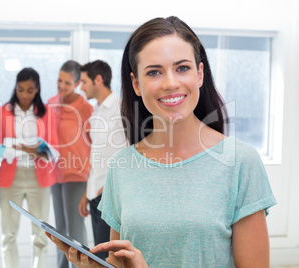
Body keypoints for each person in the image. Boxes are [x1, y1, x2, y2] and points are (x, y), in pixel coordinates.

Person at [47, 16, 277, 268]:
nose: (170, 83)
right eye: (154, 72)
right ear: (136, 84)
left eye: (182, 68)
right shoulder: (121, 166)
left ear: (199, 74)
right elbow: (121, 262)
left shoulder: (240, 162)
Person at [0, 67, 59, 268]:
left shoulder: (46, 112)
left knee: (40, 233)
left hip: (38, 177)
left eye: (29, 90)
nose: (24, 95)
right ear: (16, 87)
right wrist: (14, 148)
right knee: (9, 233)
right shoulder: (3, 112)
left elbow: (54, 149)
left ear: (37, 89)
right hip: (10, 175)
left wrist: (34, 151)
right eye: (20, 89)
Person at [77, 60, 127, 260]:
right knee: (98, 253)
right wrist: (85, 194)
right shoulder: (96, 111)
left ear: (98, 80)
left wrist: (109, 188)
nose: (81, 87)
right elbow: (96, 156)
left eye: (83, 81)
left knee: (108, 257)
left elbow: (130, 153)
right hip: (95, 193)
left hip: (111, 195)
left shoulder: (121, 107)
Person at [47, 60, 94, 268]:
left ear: (76, 83)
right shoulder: (50, 103)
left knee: (74, 230)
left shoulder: (86, 108)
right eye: (59, 80)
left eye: (67, 82)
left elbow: (95, 143)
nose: (61, 85)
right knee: (60, 230)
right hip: (55, 174)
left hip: (77, 173)